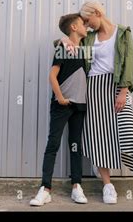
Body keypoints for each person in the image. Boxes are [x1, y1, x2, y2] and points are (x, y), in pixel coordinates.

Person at [58, 0, 133, 204]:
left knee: (126, 131)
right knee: (101, 134)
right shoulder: (90, 38)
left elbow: (129, 61)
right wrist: (62, 40)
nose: (86, 25)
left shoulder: (122, 33)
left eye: (87, 20)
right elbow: (69, 44)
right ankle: (107, 185)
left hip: (115, 86)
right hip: (93, 88)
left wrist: (124, 90)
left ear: (97, 13)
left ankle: (106, 165)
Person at [30, 13, 89, 206]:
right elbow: (52, 76)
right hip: (62, 105)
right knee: (53, 144)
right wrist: (61, 97)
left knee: (75, 145)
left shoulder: (84, 50)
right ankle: (45, 189)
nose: (86, 27)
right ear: (73, 27)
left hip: (79, 106)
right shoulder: (63, 47)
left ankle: (76, 187)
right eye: (82, 24)